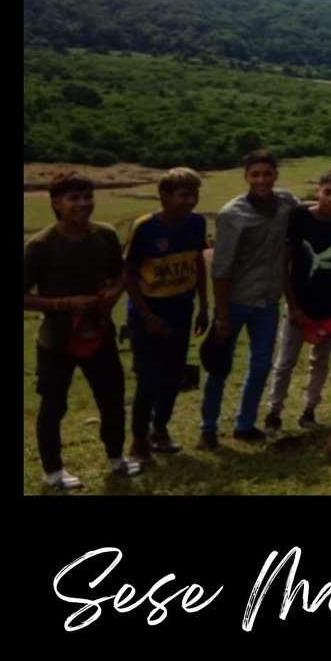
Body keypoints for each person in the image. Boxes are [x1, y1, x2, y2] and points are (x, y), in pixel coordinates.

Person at [24, 172, 143, 489]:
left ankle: (117, 459)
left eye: (87, 196)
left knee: (112, 399)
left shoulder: (104, 235)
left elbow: (120, 275)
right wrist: (66, 303)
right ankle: (53, 473)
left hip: (99, 334)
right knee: (53, 406)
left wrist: (112, 294)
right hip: (56, 342)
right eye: (74, 198)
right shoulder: (40, 246)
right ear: (56, 204)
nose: (83, 203)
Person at [198, 150, 298, 449]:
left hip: (268, 301)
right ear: (246, 177)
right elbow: (221, 269)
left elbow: (305, 209)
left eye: (267, 174)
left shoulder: (285, 203)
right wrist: (223, 316)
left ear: (276, 174)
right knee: (219, 367)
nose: (262, 180)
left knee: (260, 365)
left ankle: (245, 424)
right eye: (255, 175)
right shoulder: (232, 214)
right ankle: (208, 428)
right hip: (236, 301)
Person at [122, 167, 210, 462]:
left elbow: (198, 262)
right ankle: (138, 441)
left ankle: (159, 430)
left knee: (173, 376)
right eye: (183, 195)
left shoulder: (196, 224)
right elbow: (128, 274)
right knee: (148, 378)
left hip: (181, 309)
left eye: (194, 195)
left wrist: (204, 306)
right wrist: (147, 317)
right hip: (149, 312)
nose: (190, 201)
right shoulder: (145, 227)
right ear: (164, 196)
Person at [262, 170, 331, 434]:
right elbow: (285, 263)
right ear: (318, 191)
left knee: (320, 361)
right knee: (285, 362)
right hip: (300, 302)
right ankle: (274, 411)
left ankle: (309, 410)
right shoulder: (299, 219)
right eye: (327, 192)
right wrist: (293, 305)